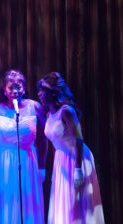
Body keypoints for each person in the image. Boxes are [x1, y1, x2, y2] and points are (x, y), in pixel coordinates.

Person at [37, 72, 105, 224]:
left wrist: (78, 169)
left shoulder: (67, 111)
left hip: (76, 159)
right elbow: (55, 143)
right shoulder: (49, 115)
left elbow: (79, 140)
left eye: (44, 90)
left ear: (53, 92)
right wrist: (56, 166)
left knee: (77, 202)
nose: (40, 94)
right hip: (61, 161)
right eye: (40, 90)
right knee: (64, 202)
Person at [0, 70, 47, 224]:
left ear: (24, 89)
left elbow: (43, 139)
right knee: (6, 202)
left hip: (28, 163)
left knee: (26, 204)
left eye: (18, 87)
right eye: (10, 87)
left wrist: (42, 167)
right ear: (4, 90)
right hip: (1, 164)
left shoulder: (35, 107)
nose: (15, 91)